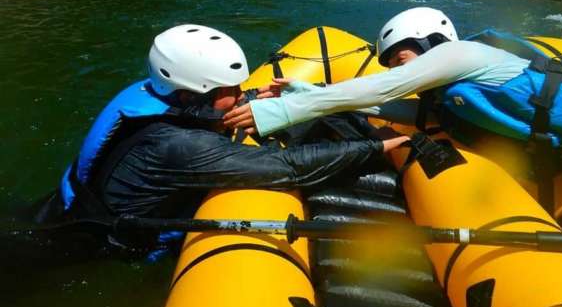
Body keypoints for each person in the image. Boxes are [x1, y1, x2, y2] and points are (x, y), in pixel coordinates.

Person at [226, 7, 562, 225]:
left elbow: (382, 88)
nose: (398, 67)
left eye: (402, 55)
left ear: (429, 43)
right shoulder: (454, 100)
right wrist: (309, 89)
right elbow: (390, 105)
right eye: (390, 61)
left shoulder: (466, 55)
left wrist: (280, 110)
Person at [37, 24, 409, 244]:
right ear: (188, 94)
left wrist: (257, 98)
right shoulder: (178, 145)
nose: (238, 94)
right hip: (87, 245)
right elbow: (287, 167)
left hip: (59, 205)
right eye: (227, 91)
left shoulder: (151, 94)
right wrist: (375, 146)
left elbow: (206, 110)